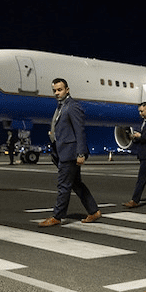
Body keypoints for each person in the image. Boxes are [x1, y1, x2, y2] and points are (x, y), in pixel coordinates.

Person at [39, 78, 101, 227]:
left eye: (60, 90)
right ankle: (94, 211)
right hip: (62, 152)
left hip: (70, 153)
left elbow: (80, 131)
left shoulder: (72, 106)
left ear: (67, 90)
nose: (57, 93)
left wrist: (80, 154)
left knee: (63, 185)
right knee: (76, 184)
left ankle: (57, 216)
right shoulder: (61, 107)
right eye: (54, 90)